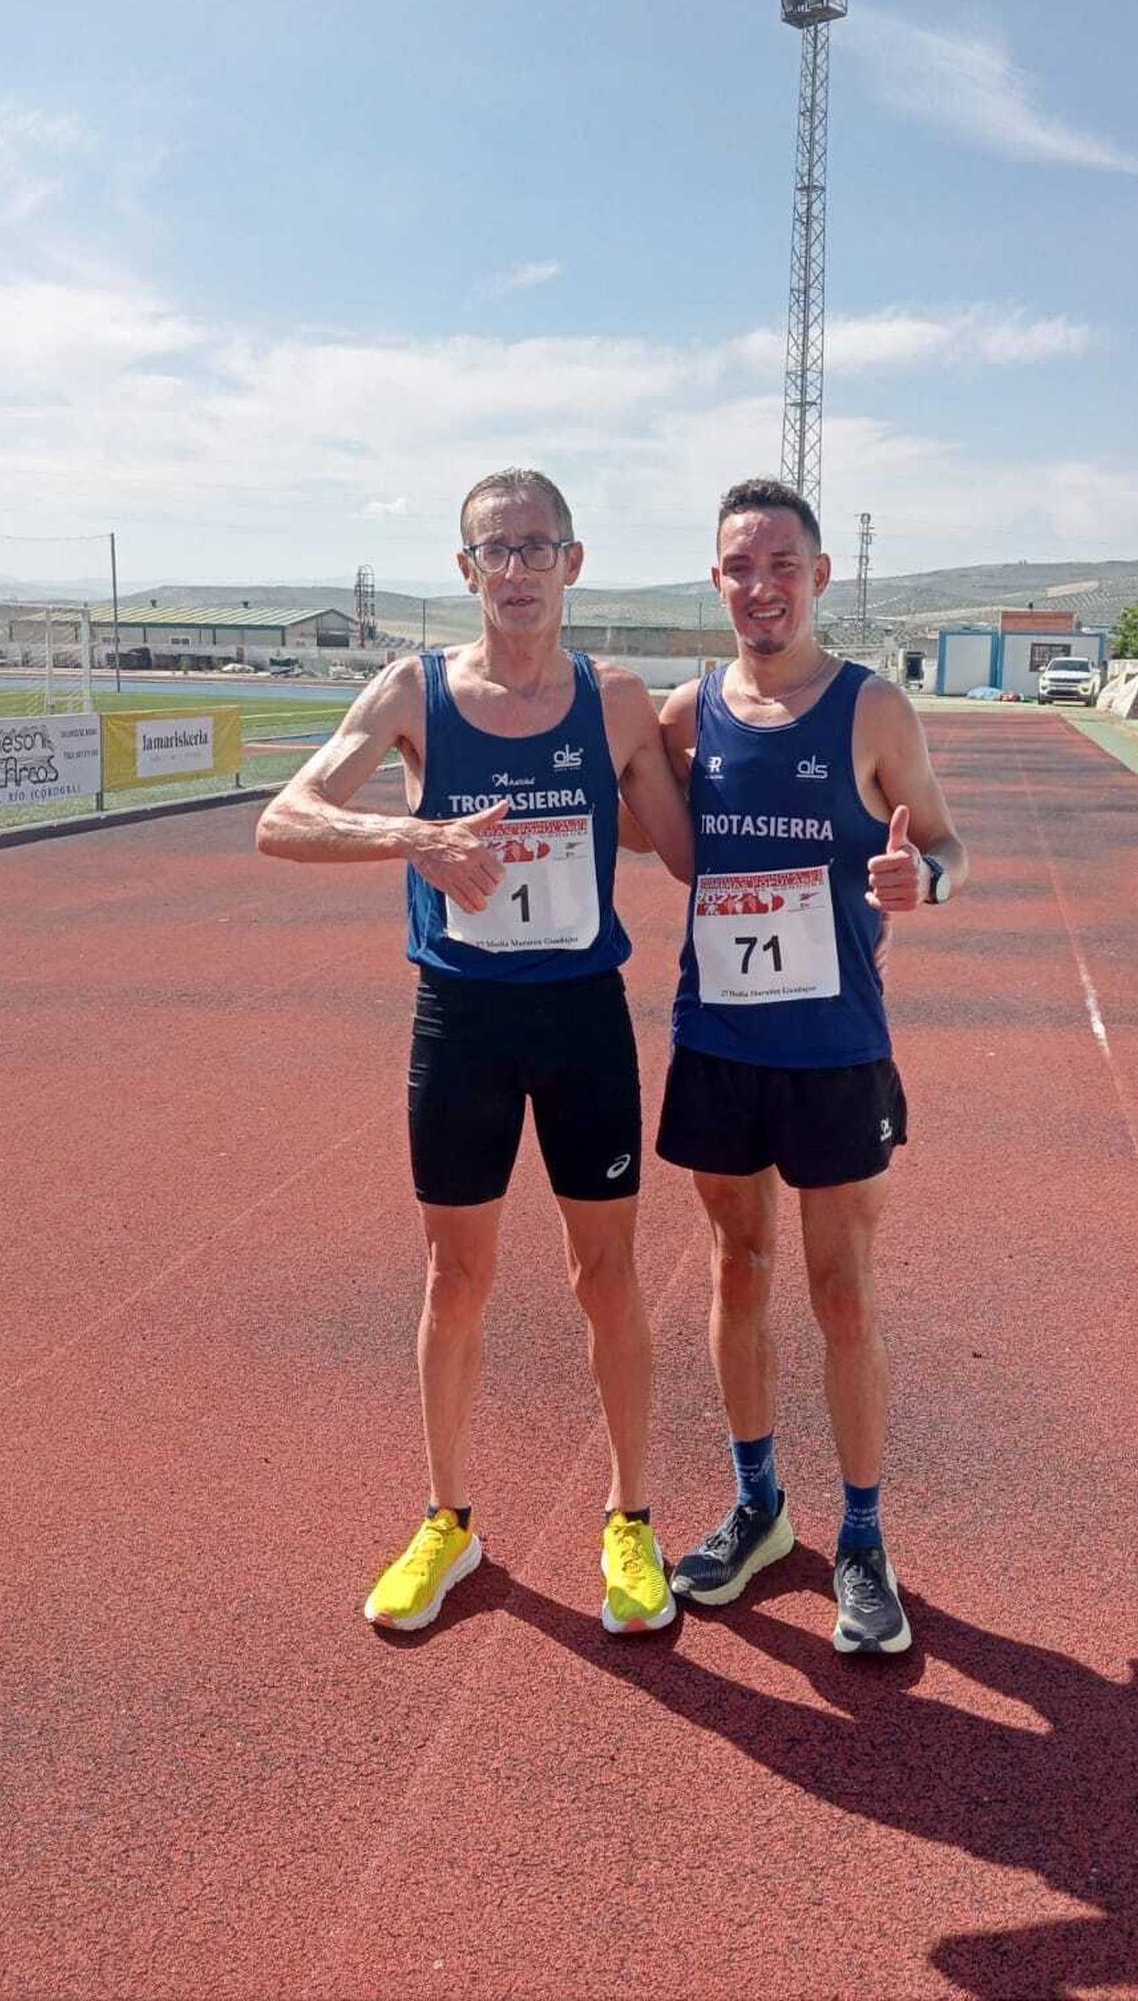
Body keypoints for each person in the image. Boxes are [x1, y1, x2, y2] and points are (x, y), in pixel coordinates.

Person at [256, 468, 693, 1636]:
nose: (513, 570)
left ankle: (631, 1519)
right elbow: (282, 819)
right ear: (464, 571)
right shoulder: (412, 691)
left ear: (573, 562)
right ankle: (449, 1521)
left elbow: (687, 852)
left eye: (535, 548)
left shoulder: (612, 702)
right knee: (456, 1280)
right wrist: (414, 835)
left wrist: (731, 731)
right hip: (461, 1021)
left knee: (605, 1278)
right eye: (493, 551)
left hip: (582, 1018)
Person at [654, 476, 966, 1654]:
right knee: (737, 1267)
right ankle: (757, 1505)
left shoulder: (872, 708)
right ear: (718, 580)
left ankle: (865, 1534)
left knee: (840, 1291)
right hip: (720, 1043)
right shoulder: (692, 713)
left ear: (819, 576)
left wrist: (922, 879)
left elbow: (944, 839)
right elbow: (627, 797)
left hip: (836, 1048)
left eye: (780, 564)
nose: (759, 586)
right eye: (738, 567)